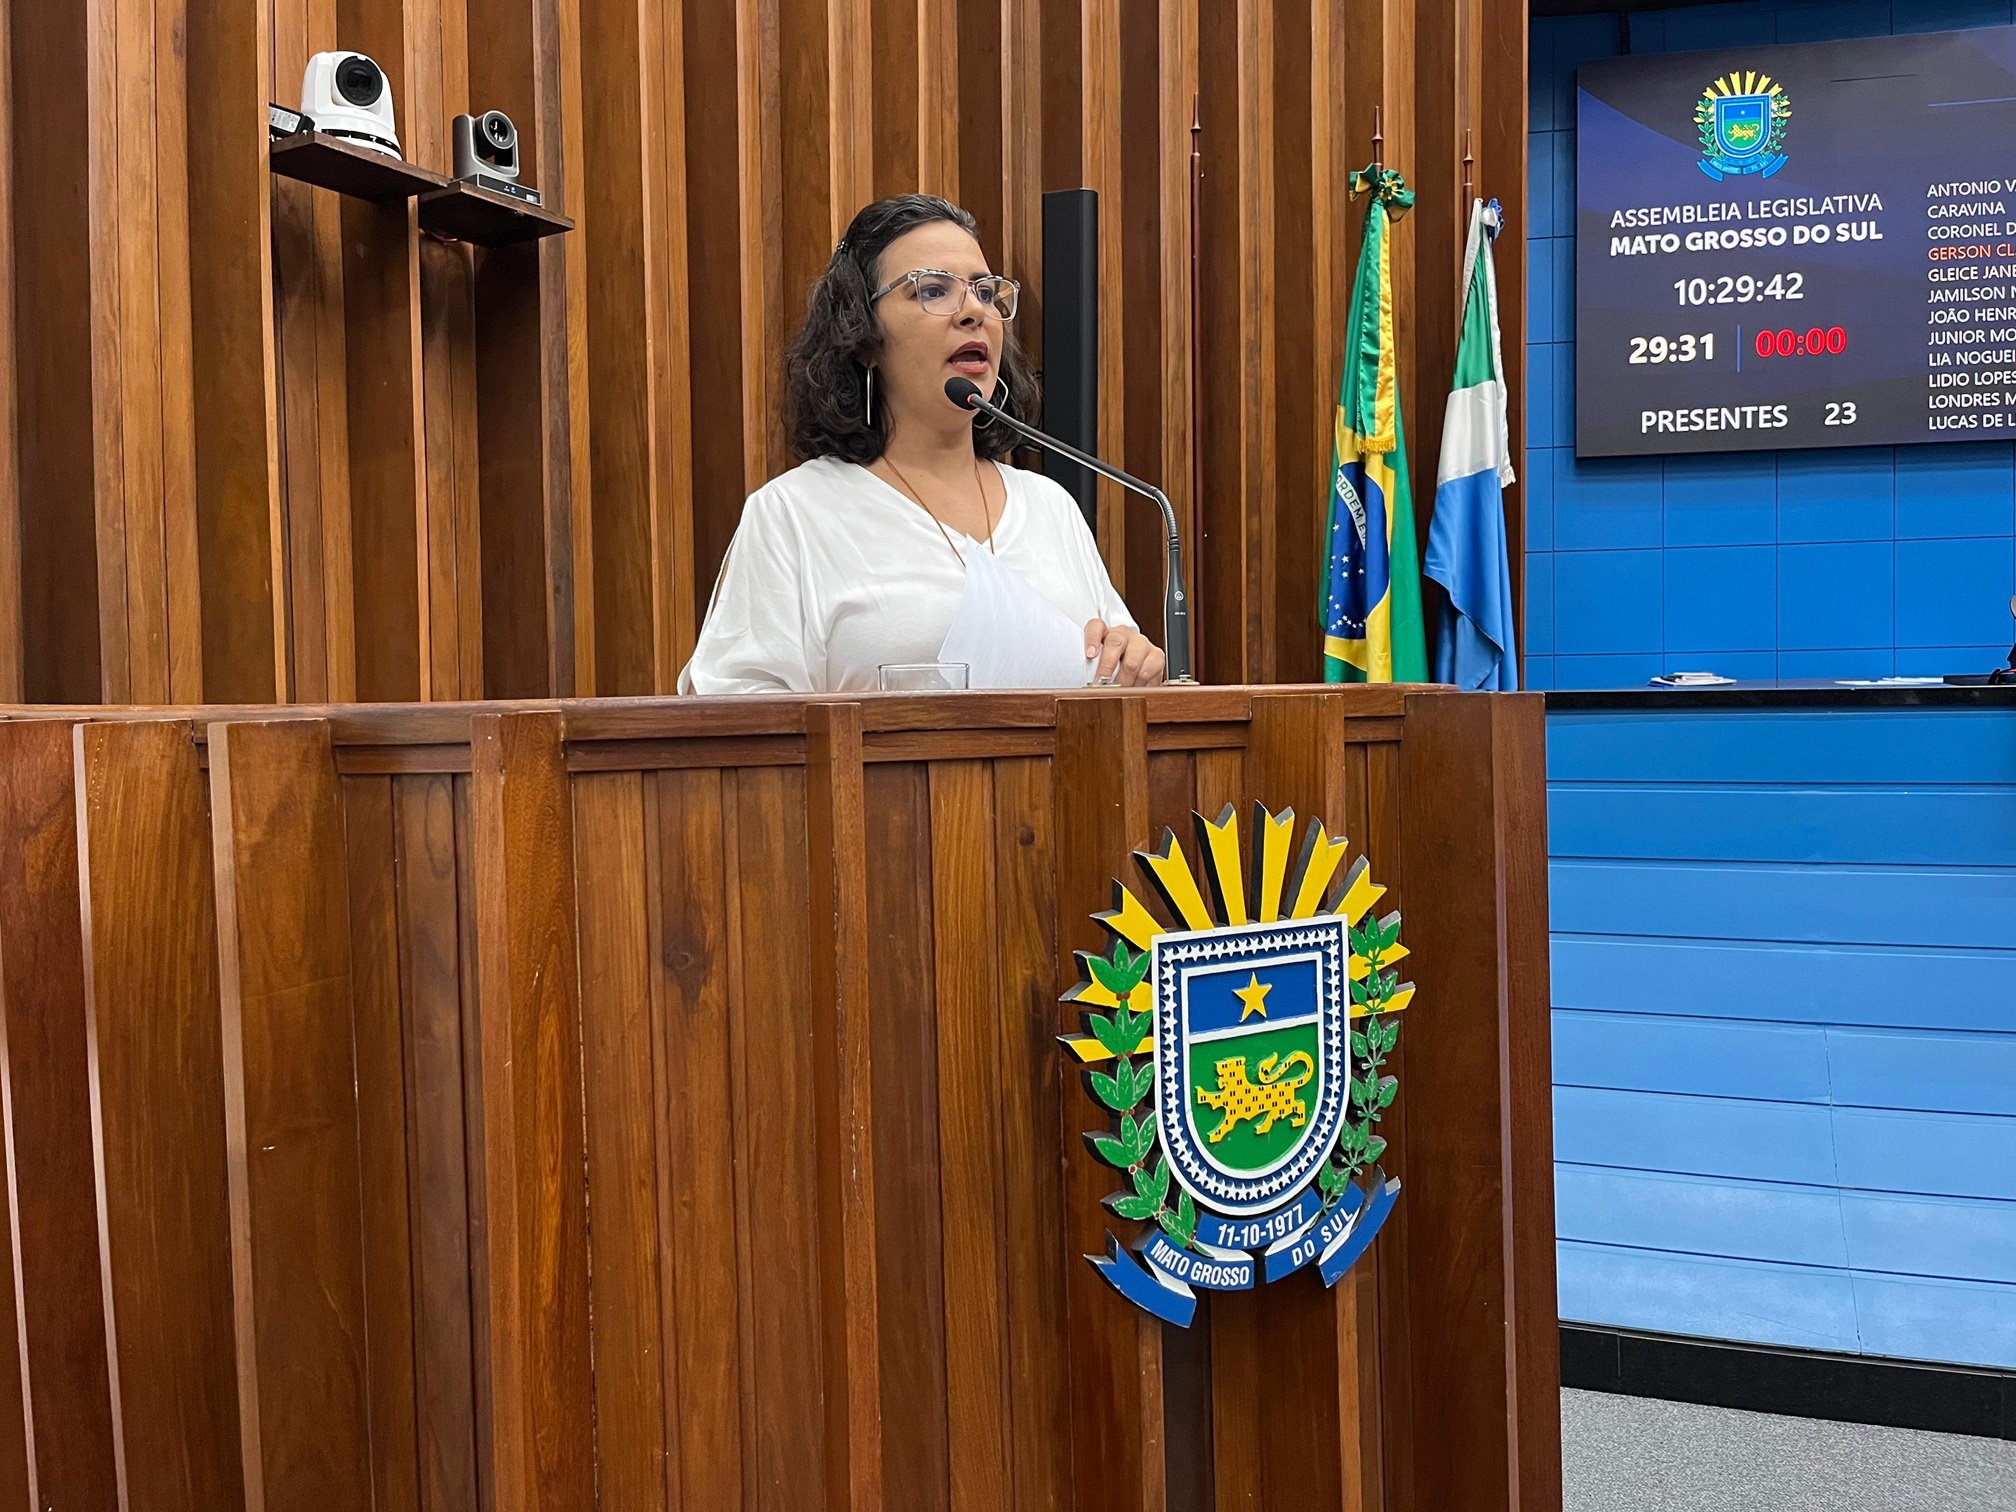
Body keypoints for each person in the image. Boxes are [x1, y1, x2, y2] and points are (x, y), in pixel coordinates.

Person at [677, 194, 1167, 694]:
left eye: (984, 292)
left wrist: (1135, 665)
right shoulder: (794, 514)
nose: (974, 311)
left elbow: (1118, 670)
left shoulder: (1050, 507)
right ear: (863, 336)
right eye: (933, 290)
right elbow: (732, 713)